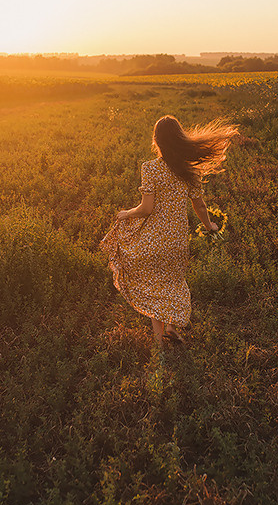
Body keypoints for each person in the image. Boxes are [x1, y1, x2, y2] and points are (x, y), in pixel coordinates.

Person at [100, 115, 238, 348]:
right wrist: (210, 226)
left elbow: (146, 209)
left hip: (153, 240)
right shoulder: (189, 172)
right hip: (177, 240)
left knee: (155, 285)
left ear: (156, 141)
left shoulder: (150, 168)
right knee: (173, 282)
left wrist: (126, 214)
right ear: (180, 138)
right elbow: (200, 206)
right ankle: (171, 327)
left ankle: (157, 341)